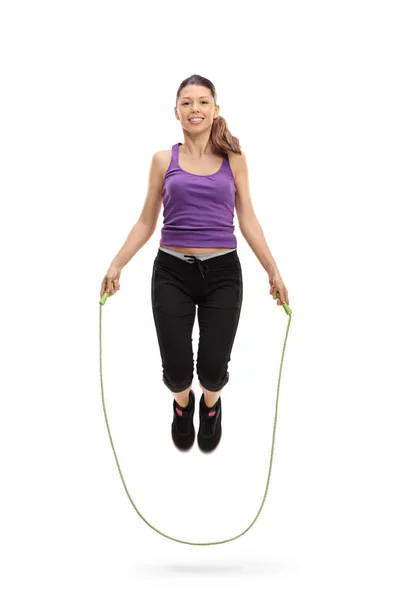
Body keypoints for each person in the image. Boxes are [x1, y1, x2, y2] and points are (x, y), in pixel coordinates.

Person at [100, 74, 289, 453]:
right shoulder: (161, 160)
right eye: (187, 102)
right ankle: (183, 406)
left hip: (222, 273)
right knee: (176, 369)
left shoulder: (234, 159)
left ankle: (211, 406)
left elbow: (247, 219)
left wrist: (273, 270)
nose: (195, 109)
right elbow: (146, 221)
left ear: (215, 110)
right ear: (176, 112)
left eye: (203, 102)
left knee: (214, 369)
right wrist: (116, 264)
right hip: (171, 272)